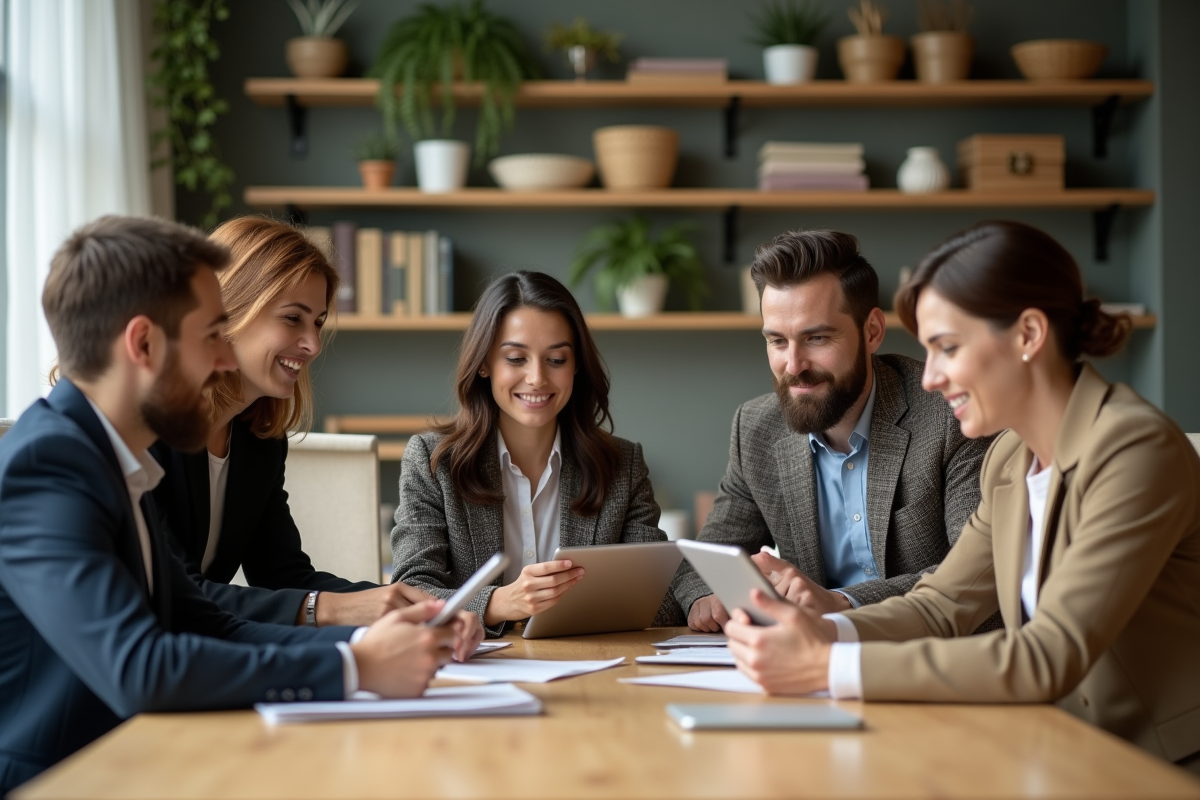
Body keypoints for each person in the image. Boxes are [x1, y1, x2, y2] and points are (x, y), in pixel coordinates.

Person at [0, 216, 476, 794]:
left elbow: (213, 625)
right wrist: (355, 667)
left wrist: (379, 644)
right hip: (66, 777)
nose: (223, 362)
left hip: (144, 757)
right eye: (211, 336)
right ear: (144, 344)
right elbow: (139, 667)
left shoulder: (117, 458)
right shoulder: (50, 464)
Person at [723, 221, 1200, 774]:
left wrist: (825, 667)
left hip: (1158, 764)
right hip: (1051, 745)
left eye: (947, 348)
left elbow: (1047, 656)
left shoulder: (1133, 449)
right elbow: (941, 604)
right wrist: (823, 629)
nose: (929, 378)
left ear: (1027, 335)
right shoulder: (1011, 458)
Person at [149, 216, 472, 633]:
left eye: (317, 322)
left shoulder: (257, 442)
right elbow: (170, 592)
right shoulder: (150, 432)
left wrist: (407, 606)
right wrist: (336, 610)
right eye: (292, 318)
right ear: (228, 309)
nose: (313, 345)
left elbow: (285, 576)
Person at [672, 229, 993, 632]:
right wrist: (707, 596)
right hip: (809, 665)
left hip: (933, 659)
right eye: (777, 341)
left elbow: (980, 575)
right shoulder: (756, 428)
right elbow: (704, 559)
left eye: (817, 338)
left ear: (872, 331)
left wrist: (842, 602)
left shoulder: (950, 415)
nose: (793, 365)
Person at [391, 270, 680, 637]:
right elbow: (411, 593)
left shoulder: (622, 465)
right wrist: (501, 603)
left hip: (590, 670)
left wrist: (566, 609)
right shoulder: (432, 462)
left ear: (575, 366)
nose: (537, 379)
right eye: (515, 358)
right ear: (484, 364)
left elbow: (663, 597)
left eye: (556, 360)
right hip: (476, 675)